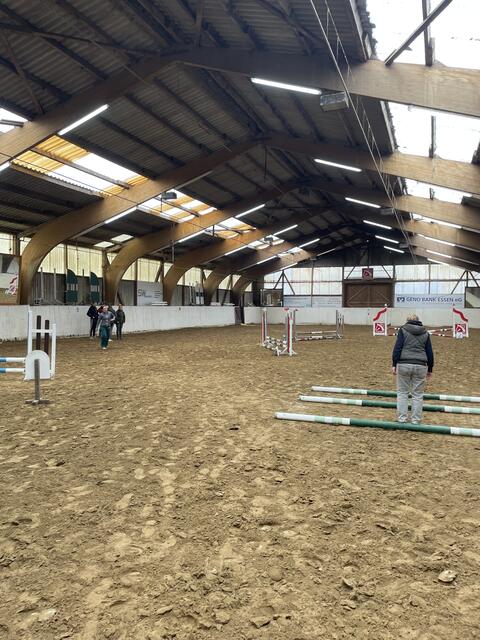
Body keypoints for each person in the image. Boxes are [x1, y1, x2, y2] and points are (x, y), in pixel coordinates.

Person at [392, 314, 434, 424]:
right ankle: (416, 420)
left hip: (404, 364)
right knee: (418, 394)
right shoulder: (425, 332)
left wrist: (394, 363)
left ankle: (402, 419)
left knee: (402, 393)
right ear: (418, 321)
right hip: (421, 365)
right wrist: (430, 368)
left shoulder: (403, 330)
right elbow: (429, 351)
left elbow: (398, 348)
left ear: (407, 321)